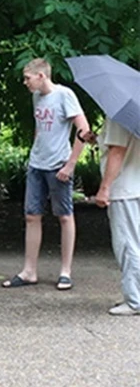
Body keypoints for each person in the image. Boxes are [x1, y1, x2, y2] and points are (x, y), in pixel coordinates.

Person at [3, 58, 90, 291]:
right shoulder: (36, 97)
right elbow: (39, 129)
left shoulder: (65, 95)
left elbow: (84, 130)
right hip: (37, 164)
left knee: (64, 216)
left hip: (59, 165)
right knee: (32, 215)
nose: (25, 82)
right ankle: (29, 271)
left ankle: (65, 272)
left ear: (41, 76)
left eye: (28, 78)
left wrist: (70, 164)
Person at [92, 119, 140, 315]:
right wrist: (98, 139)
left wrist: (105, 188)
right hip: (136, 184)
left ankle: (135, 299)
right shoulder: (135, 111)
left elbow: (117, 151)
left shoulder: (118, 116)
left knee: (128, 245)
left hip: (124, 188)